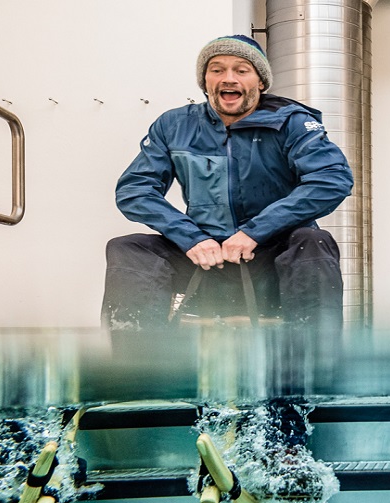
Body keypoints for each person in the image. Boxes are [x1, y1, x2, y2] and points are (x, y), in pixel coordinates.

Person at [103, 35, 353, 333]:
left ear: (261, 82)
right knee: (128, 248)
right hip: (205, 255)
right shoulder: (174, 125)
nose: (229, 78)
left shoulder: (292, 123)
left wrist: (254, 232)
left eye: (241, 70)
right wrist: (191, 238)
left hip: (271, 257)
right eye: (217, 69)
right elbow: (135, 190)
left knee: (313, 241)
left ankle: (316, 354)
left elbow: (332, 179)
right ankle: (139, 358)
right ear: (205, 81)